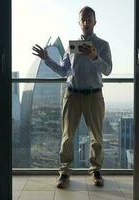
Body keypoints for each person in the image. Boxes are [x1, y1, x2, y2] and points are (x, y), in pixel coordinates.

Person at [32, 6, 112, 189]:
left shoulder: (103, 45)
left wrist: (94, 57)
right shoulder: (71, 46)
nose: (86, 22)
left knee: (97, 137)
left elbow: (107, 70)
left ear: (95, 21)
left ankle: (96, 171)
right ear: (79, 23)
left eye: (89, 19)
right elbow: (63, 71)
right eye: (83, 20)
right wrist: (46, 58)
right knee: (67, 136)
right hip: (72, 94)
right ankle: (65, 172)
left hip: (94, 95)